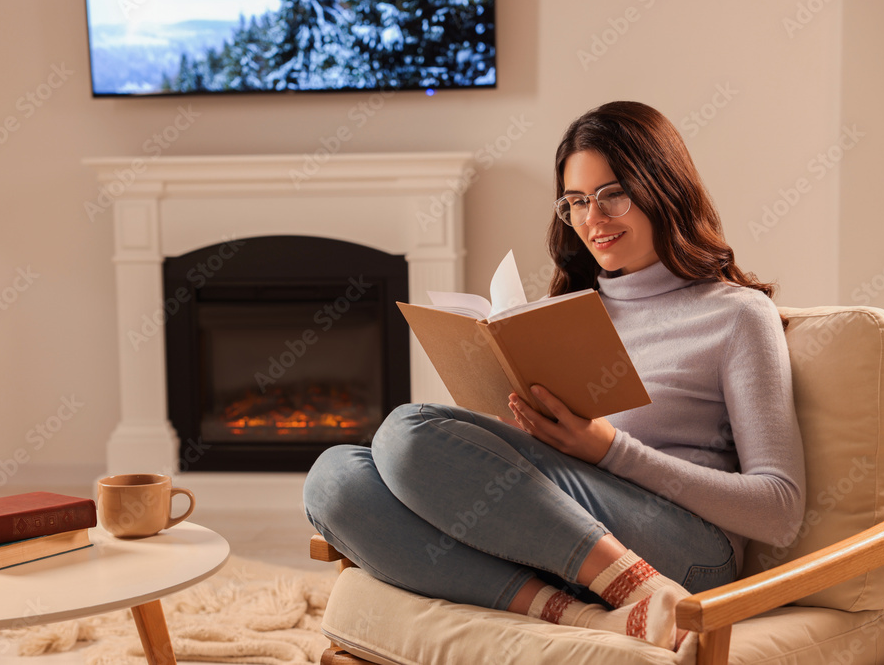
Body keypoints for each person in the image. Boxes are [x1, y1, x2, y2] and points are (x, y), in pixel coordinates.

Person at [303, 100, 806, 651]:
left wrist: (611, 449)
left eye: (614, 193)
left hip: (689, 551)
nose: (593, 218)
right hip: (560, 533)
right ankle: (593, 617)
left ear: (663, 187)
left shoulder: (735, 315)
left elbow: (779, 509)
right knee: (334, 479)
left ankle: (645, 587)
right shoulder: (571, 310)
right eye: (576, 201)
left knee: (405, 430)